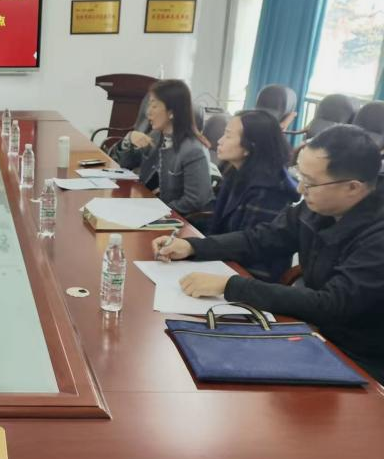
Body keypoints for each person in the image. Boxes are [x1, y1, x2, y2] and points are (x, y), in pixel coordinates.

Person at [153, 125, 384, 383]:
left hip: (362, 358)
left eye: (310, 183)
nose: (300, 189)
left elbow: (331, 304)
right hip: (318, 335)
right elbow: (262, 238)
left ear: (353, 187)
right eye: (301, 176)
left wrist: (231, 286)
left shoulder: (377, 237)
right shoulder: (320, 205)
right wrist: (194, 246)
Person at [209, 109, 299, 281]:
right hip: (226, 259)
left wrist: (199, 249)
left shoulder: (269, 189)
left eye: (228, 136)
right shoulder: (235, 171)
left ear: (251, 146)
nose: (220, 141)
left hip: (251, 275)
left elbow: (249, 247)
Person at [115, 79, 212, 216]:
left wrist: (157, 210)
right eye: (149, 105)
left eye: (154, 106)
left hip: (174, 221)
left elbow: (195, 200)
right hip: (148, 208)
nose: (148, 112)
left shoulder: (193, 150)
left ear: (172, 112)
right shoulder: (156, 135)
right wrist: (128, 139)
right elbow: (126, 165)